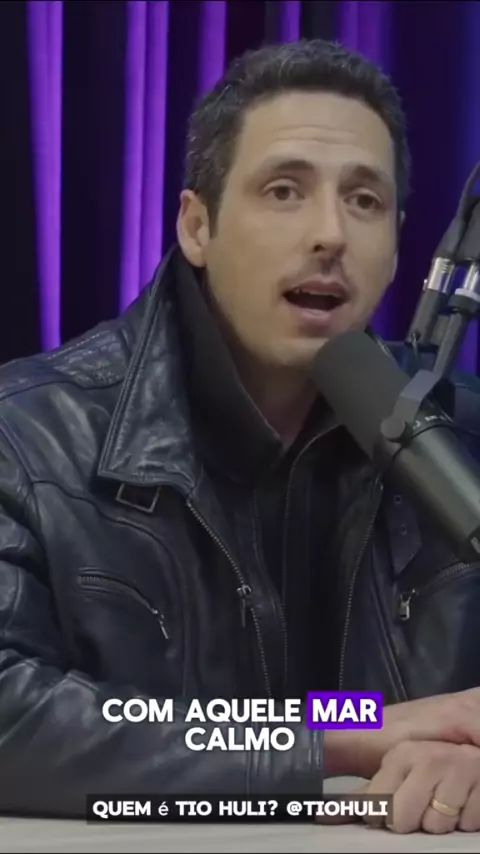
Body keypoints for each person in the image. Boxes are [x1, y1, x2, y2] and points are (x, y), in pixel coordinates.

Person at [1, 38, 480, 835]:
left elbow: (339, 714)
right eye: (285, 190)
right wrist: (348, 737)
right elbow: (12, 716)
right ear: (197, 225)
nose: (330, 233)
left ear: (398, 243)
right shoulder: (28, 432)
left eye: (364, 200)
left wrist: (459, 753)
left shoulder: (456, 438)